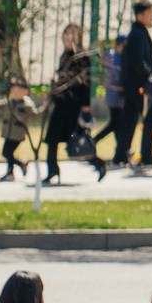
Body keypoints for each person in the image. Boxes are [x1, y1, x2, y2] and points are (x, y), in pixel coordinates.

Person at [43, 24, 98, 184]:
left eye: (73, 34)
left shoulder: (82, 57)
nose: (69, 38)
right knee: (52, 139)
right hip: (61, 103)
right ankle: (52, 170)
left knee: (77, 140)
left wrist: (85, 106)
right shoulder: (64, 56)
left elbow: (86, 84)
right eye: (67, 34)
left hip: (74, 106)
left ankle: (97, 163)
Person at [112, 0, 152, 171]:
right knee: (147, 119)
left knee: (129, 119)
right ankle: (143, 156)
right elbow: (139, 61)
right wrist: (150, 76)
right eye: (149, 14)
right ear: (140, 16)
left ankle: (121, 155)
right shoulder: (137, 35)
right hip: (137, 85)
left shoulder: (138, 33)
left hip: (133, 85)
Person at [0, 79, 38, 181]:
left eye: (19, 91)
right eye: (14, 90)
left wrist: (45, 106)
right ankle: (14, 170)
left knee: (7, 152)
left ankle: (13, 170)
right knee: (7, 153)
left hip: (17, 134)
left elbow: (36, 113)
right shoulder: (9, 102)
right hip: (8, 132)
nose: (16, 93)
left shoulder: (27, 104)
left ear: (26, 92)